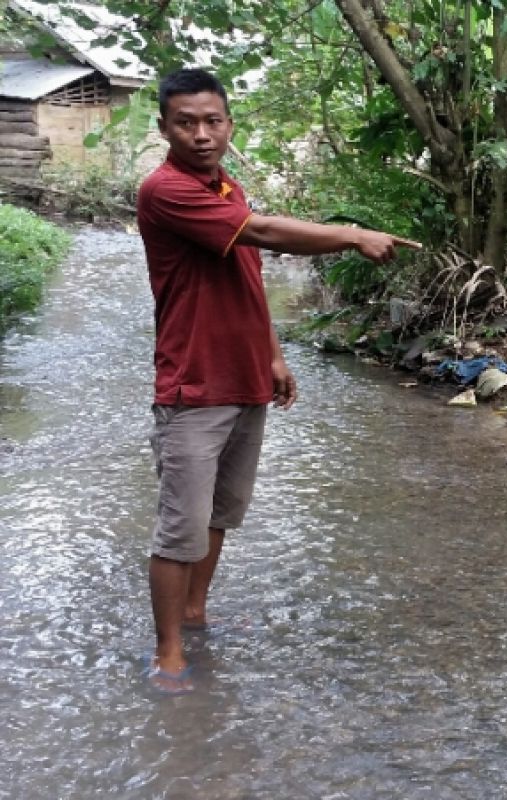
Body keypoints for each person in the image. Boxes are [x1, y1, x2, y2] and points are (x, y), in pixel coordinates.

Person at [137, 68, 420, 693]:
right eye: (186, 122)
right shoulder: (165, 190)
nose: (202, 134)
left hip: (243, 380)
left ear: (229, 125)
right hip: (192, 386)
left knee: (219, 515)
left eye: (213, 121)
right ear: (164, 128)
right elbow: (263, 232)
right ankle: (168, 653)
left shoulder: (225, 187)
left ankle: (194, 612)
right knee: (179, 527)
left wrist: (272, 356)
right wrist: (352, 235)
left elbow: (248, 272)